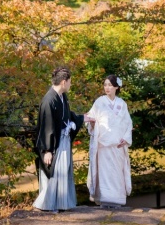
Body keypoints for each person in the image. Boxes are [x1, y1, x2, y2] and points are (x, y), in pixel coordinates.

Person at [33, 67, 93, 211]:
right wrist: (47, 150)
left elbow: (66, 115)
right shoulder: (49, 100)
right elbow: (47, 126)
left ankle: (60, 203)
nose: (70, 85)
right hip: (54, 143)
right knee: (55, 172)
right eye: (70, 82)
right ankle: (47, 204)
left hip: (63, 140)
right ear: (64, 82)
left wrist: (82, 118)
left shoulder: (61, 96)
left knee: (63, 171)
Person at [86, 74, 132, 207]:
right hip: (103, 145)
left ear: (116, 87)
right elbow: (90, 118)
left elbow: (128, 123)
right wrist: (92, 124)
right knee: (105, 174)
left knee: (116, 174)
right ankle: (105, 200)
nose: (107, 88)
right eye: (105, 85)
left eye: (110, 85)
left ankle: (117, 200)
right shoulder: (99, 102)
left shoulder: (122, 104)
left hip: (117, 146)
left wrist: (126, 138)